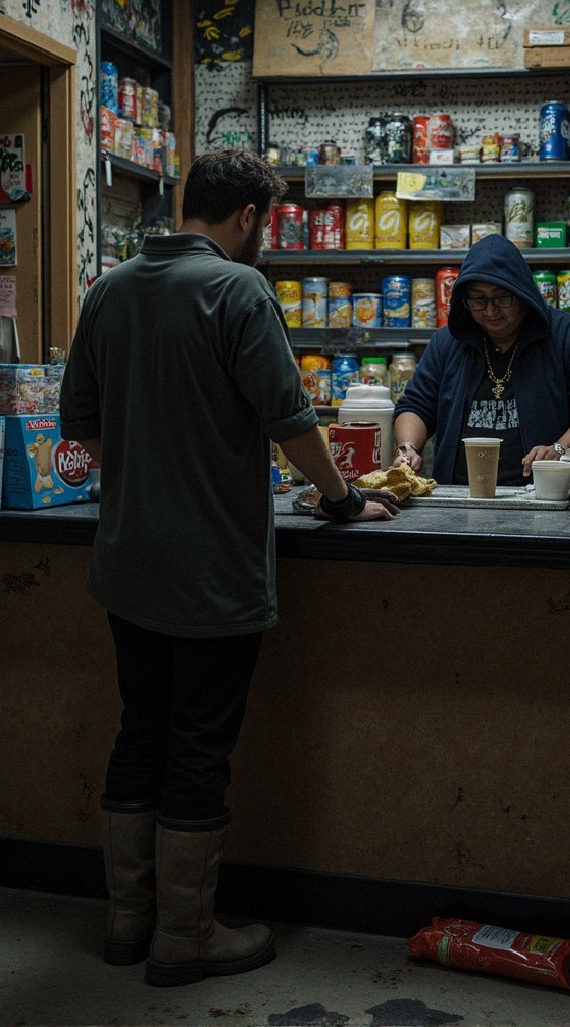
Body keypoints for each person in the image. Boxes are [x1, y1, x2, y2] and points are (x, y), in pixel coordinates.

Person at [59, 149, 395, 988]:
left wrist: (147, 469)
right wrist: (346, 500)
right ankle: (187, 934)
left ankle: (128, 923)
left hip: (128, 561)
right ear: (247, 216)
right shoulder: (238, 291)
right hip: (210, 569)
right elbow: (291, 422)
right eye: (267, 224)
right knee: (201, 743)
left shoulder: (108, 290)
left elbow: (83, 429)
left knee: (142, 727)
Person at [393, 233, 570, 485]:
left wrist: (559, 448)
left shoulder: (567, 334)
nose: (490, 311)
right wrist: (407, 448)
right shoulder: (447, 342)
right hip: (457, 496)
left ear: (522, 293)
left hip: (544, 495)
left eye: (502, 298)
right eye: (478, 299)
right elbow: (415, 406)